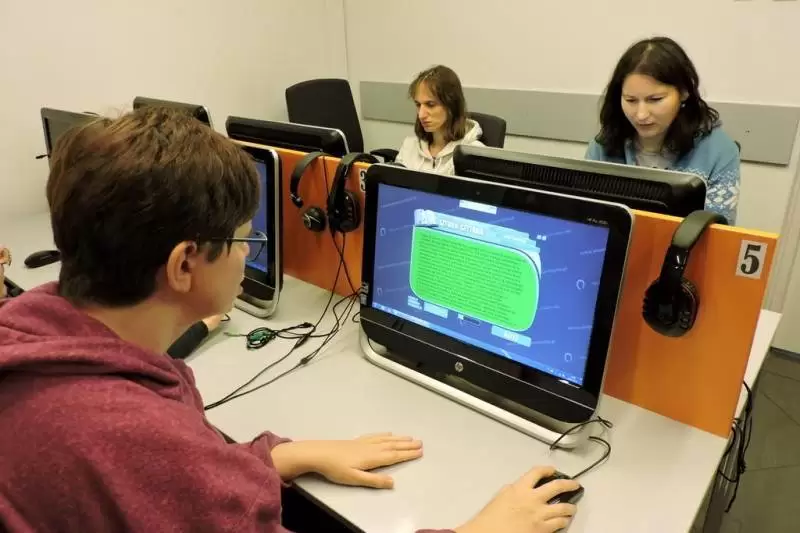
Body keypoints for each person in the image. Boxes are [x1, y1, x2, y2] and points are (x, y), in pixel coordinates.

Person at [0, 108, 578, 533]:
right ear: (184, 265)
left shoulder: (35, 337)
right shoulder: (130, 440)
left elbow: (188, 476)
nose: (251, 251)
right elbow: (171, 473)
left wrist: (286, 455)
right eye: (245, 239)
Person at [586, 36, 740, 225]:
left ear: (684, 92)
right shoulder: (603, 145)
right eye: (630, 100)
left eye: (655, 99)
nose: (641, 114)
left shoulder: (719, 151)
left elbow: (718, 232)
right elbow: (585, 217)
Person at [396, 65, 484, 175]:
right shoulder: (409, 147)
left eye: (430, 105)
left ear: (451, 105)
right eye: (418, 105)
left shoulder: (473, 154)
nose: (421, 115)